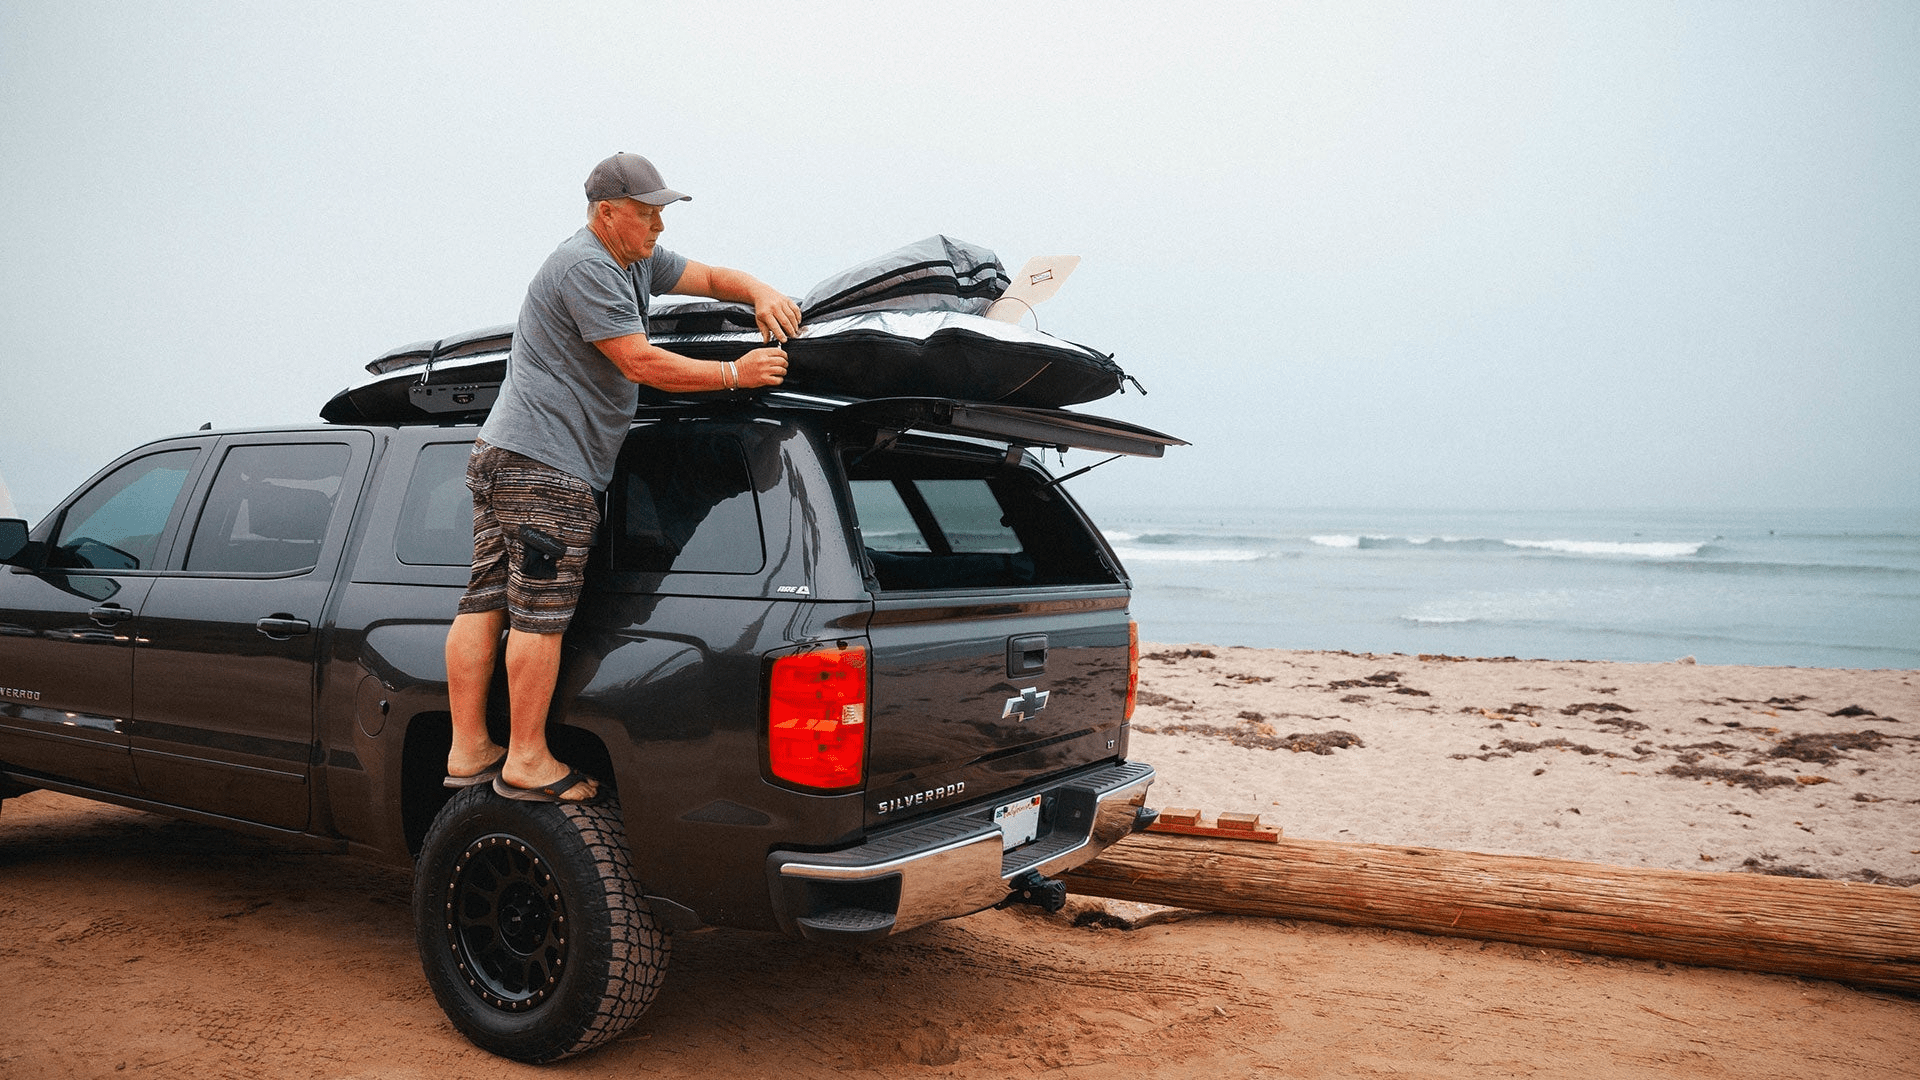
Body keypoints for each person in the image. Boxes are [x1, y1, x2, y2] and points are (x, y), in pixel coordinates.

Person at [443, 151, 801, 803]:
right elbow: (638, 361)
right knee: (539, 614)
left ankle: (469, 747)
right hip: (547, 464)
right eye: (647, 214)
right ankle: (525, 759)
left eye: (662, 212)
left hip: (507, 451)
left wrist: (759, 291)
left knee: (488, 597)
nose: (659, 227)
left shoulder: (634, 257)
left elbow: (713, 277)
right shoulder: (587, 266)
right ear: (608, 214)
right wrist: (733, 375)